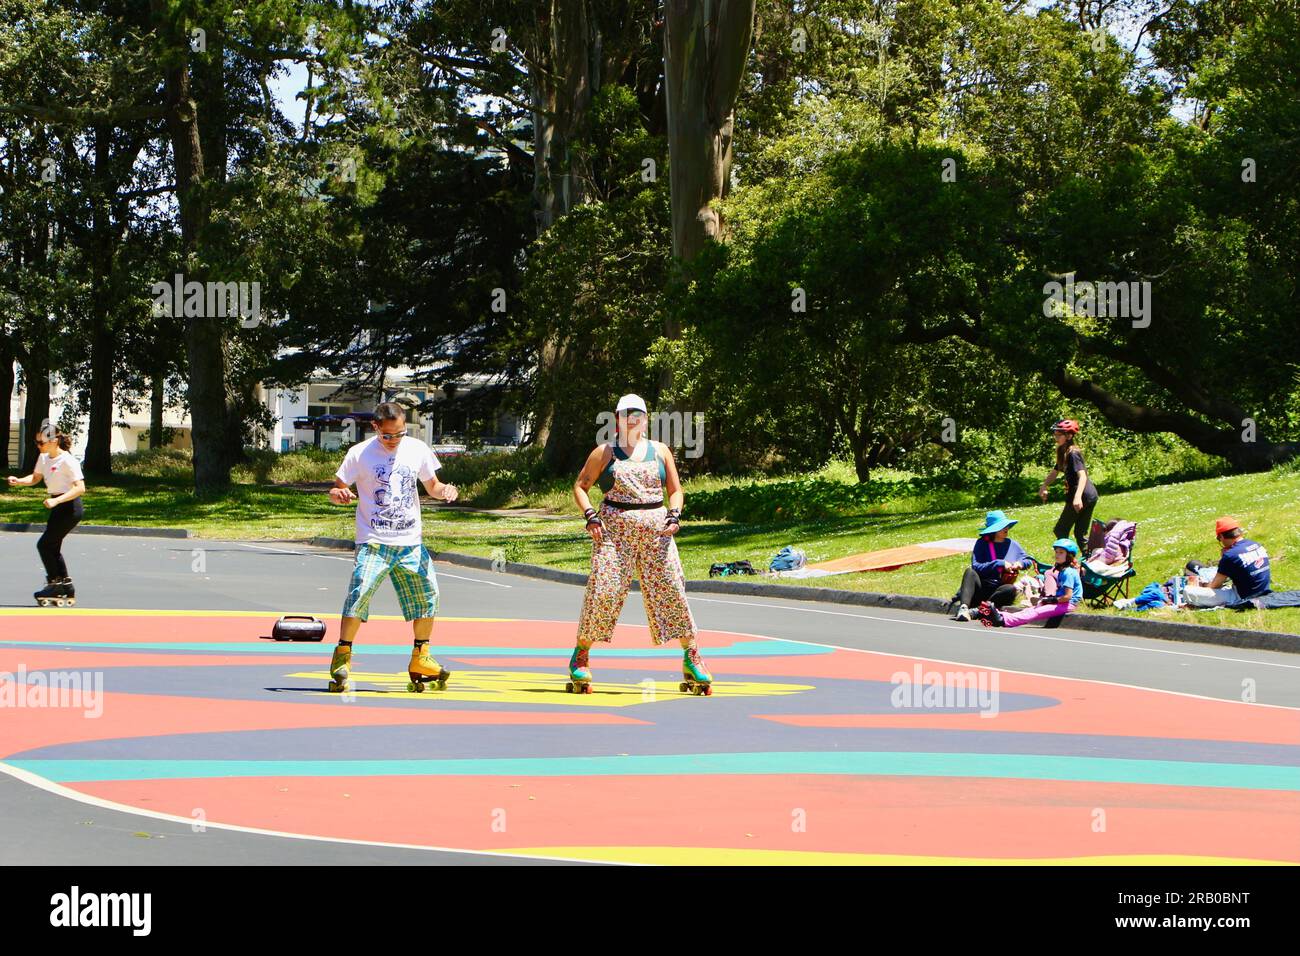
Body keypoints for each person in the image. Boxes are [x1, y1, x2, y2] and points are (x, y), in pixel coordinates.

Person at [570, 394, 712, 695]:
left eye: (638, 415)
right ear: (617, 419)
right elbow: (581, 486)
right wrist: (591, 517)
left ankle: (692, 656)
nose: (632, 420)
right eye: (626, 415)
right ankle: (581, 653)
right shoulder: (605, 452)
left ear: (646, 419)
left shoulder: (660, 451)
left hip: (655, 530)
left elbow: (675, 490)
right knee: (604, 589)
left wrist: (675, 515)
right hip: (615, 530)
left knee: (672, 587)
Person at [325, 402, 459, 693]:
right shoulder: (359, 454)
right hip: (374, 540)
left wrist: (445, 490)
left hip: (410, 541)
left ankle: (421, 657)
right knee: (360, 592)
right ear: (375, 428)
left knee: (427, 595)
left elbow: (432, 485)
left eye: (399, 434)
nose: (394, 440)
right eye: (388, 436)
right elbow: (337, 488)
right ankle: (342, 656)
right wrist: (339, 494)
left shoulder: (417, 449)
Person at [7, 424, 86, 606]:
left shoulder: (68, 461)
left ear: (53, 441)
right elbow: (35, 478)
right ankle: (65, 585)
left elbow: (80, 488)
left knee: (45, 544)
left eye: (40, 442)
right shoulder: (44, 458)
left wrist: (57, 501)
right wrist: (19, 481)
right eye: (36, 442)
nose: (38, 446)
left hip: (70, 507)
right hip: (57, 506)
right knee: (52, 546)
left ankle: (55, 583)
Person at [978, 538, 1082, 628]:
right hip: (1062, 602)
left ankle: (1003, 620)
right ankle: (999, 615)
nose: (1057, 555)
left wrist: (1051, 600)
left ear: (1069, 555)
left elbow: (1068, 596)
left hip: (1068, 604)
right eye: (1056, 552)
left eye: (1061, 552)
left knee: (1036, 612)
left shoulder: (1068, 572)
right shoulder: (1064, 570)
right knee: (1031, 609)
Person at [949, 510, 1029, 621]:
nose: (1006, 528)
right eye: (1002, 526)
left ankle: (979, 611)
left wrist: (1020, 564)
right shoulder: (982, 543)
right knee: (969, 572)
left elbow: (1027, 560)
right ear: (994, 530)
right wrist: (999, 563)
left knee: (1010, 589)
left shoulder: (1013, 544)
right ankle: (964, 608)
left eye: (1006, 526)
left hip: (999, 589)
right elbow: (976, 566)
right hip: (982, 587)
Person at [1037, 419, 1098, 555]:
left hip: (1083, 495)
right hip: (1088, 495)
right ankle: (1092, 560)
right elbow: (1055, 471)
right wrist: (1044, 485)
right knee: (1080, 533)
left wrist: (1077, 498)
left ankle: (1069, 559)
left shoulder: (1073, 453)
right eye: (1055, 434)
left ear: (1069, 436)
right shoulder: (1063, 451)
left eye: (1059, 435)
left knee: (1061, 530)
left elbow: (1082, 476)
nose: (1056, 437)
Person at [1183, 517, 1271, 608]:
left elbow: (1214, 586)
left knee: (1188, 591)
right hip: (1263, 591)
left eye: (1219, 539)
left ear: (1221, 536)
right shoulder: (1256, 544)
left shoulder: (1230, 555)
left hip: (1242, 597)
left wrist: (1203, 585)